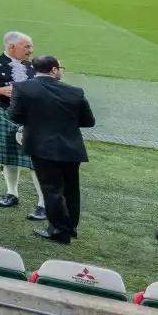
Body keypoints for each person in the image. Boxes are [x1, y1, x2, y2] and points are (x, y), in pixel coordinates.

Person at [10, 55, 94, 244]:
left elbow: (15, 115)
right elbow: (89, 121)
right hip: (71, 147)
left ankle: (59, 230)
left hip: (41, 146)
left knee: (51, 189)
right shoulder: (75, 91)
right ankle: (70, 226)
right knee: (71, 188)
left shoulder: (22, 88)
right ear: (54, 70)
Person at [0, 31, 46, 219]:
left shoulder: (33, 66)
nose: (30, 50)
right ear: (11, 47)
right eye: (27, 46)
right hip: (3, 115)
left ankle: (43, 203)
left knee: (34, 161)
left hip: (31, 117)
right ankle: (12, 194)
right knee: (7, 157)